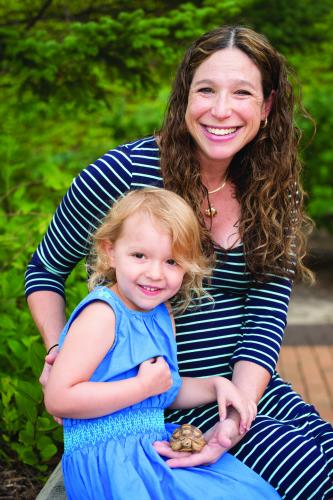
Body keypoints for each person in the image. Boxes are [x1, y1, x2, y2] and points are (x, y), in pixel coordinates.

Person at [26, 26, 333, 500]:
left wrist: (242, 403)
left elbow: (267, 310)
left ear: (267, 108)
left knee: (320, 450)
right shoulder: (123, 174)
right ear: (184, 97)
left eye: (242, 93)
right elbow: (45, 269)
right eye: (206, 90)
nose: (221, 109)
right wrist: (58, 352)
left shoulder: (277, 191)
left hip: (239, 387)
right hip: (156, 401)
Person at [44, 187, 280, 500]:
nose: (155, 273)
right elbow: (60, 399)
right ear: (110, 251)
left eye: (171, 261)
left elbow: (163, 389)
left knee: (245, 492)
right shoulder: (102, 315)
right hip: (109, 462)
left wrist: (215, 386)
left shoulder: (161, 313)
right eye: (139, 256)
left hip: (150, 448)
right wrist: (141, 387)